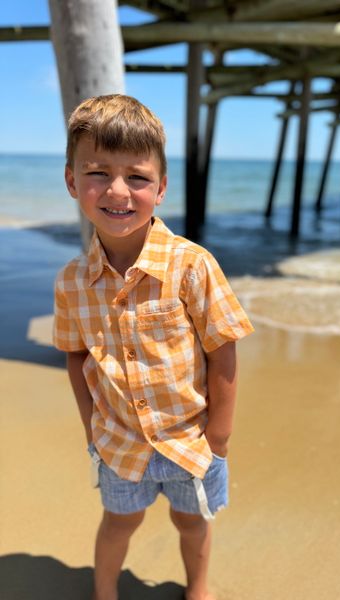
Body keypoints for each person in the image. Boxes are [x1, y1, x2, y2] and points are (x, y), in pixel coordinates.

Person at [53, 94, 254, 600]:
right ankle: (105, 591)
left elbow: (222, 350)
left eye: (137, 178)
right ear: (73, 181)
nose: (118, 191)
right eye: (98, 173)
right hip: (118, 442)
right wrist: (91, 429)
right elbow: (76, 358)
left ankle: (199, 588)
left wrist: (220, 438)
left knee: (192, 522)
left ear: (161, 188)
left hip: (191, 440)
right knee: (119, 523)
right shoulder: (72, 280)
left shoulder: (192, 265)